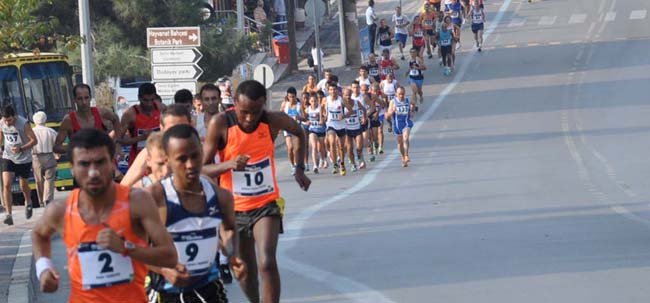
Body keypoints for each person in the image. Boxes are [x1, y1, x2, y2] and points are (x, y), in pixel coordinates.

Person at [30, 128, 177, 303]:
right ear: (73, 168)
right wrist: (43, 267)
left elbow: (170, 256)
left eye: (100, 162)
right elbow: (39, 234)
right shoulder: (60, 210)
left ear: (112, 163)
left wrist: (126, 248)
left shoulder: (137, 202)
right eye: (84, 164)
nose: (93, 172)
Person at [202, 80, 311, 303]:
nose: (250, 118)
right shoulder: (220, 123)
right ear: (234, 104)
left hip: (266, 203)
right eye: (244, 112)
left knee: (267, 263)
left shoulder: (272, 120)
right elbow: (202, 168)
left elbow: (300, 132)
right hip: (234, 209)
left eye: (255, 111)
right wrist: (228, 165)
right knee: (245, 270)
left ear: (264, 105)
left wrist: (299, 168)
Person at [145, 125, 245, 303]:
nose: (190, 165)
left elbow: (229, 229)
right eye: (182, 159)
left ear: (202, 152)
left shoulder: (221, 197)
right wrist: (163, 270)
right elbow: (130, 248)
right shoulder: (155, 197)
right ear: (168, 160)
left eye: (195, 156)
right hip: (166, 293)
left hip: (209, 289)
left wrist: (232, 254)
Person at [120, 104, 193, 187]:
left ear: (191, 125)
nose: (177, 134)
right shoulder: (149, 152)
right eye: (171, 130)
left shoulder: (198, 150)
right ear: (162, 128)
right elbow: (123, 187)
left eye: (182, 128)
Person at [53, 83, 120, 155]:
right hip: (82, 164)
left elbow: (116, 119)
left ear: (90, 98)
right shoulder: (69, 120)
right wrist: (76, 148)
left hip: (103, 162)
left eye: (86, 98)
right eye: (80, 99)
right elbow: (57, 147)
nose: (84, 102)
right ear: (75, 100)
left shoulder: (101, 113)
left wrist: (118, 145)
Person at [1, 105, 37, 225]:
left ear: (15, 116)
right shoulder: (2, 122)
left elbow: (34, 140)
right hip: (8, 156)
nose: (7, 122)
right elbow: (1, 135)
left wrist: (21, 148)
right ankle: (8, 214)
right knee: (6, 184)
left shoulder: (23, 124)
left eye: (9, 120)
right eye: (5, 120)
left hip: (24, 158)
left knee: (23, 186)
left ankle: (28, 201)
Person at [115, 83, 165, 167]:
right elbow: (119, 139)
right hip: (138, 161)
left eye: (152, 100)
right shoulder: (130, 114)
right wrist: (141, 138)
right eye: (145, 100)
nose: (149, 104)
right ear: (139, 98)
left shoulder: (161, 108)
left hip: (159, 159)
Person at [31, 111, 57, 207]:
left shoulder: (31, 131)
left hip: (35, 157)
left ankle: (41, 200)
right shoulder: (51, 131)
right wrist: (57, 154)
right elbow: (56, 145)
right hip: (49, 156)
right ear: (45, 119)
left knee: (38, 180)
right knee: (49, 179)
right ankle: (48, 199)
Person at [323, 81, 347, 176]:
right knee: (332, 142)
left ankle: (342, 163)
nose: (333, 91)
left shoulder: (341, 100)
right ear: (328, 91)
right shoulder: (326, 100)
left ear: (337, 91)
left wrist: (344, 116)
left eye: (334, 90)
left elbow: (351, 110)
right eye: (331, 90)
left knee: (341, 147)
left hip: (341, 124)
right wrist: (323, 117)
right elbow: (322, 108)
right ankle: (334, 165)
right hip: (331, 124)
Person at [386, 86, 415, 167]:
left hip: (406, 123)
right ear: (396, 94)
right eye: (399, 94)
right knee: (400, 143)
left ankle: (406, 155)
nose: (401, 96)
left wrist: (412, 110)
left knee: (405, 138)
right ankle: (403, 158)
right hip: (397, 125)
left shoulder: (407, 100)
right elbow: (388, 116)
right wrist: (393, 111)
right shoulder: (393, 102)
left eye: (403, 94)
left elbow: (411, 114)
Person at [279, 87, 305, 175]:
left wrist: (299, 117)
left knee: (296, 149)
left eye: (293, 97)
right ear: (287, 96)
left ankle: (297, 165)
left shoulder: (299, 105)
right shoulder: (284, 104)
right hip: (287, 129)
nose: (291, 99)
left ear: (295, 96)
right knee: (290, 148)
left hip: (296, 129)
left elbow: (305, 118)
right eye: (290, 97)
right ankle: (292, 165)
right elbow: (280, 115)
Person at [343, 88, 367, 172]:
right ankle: (353, 164)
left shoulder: (356, 102)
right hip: (347, 129)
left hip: (357, 128)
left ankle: (360, 157)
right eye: (346, 95)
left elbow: (363, 109)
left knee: (359, 147)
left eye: (349, 95)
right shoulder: (342, 104)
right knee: (349, 148)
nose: (348, 97)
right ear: (343, 95)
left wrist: (364, 117)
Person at [305, 93, 326, 174]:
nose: (314, 103)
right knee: (314, 147)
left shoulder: (320, 108)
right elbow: (305, 119)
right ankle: (315, 166)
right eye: (312, 101)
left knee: (321, 147)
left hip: (321, 130)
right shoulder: (307, 109)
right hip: (312, 130)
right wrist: (306, 121)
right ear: (310, 101)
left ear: (317, 101)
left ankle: (322, 159)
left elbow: (325, 117)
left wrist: (322, 120)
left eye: (315, 101)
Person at [360, 84, 378, 162]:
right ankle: (360, 157)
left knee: (369, 136)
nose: (364, 92)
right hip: (357, 120)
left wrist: (367, 115)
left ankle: (371, 152)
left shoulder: (371, 96)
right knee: (359, 139)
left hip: (369, 118)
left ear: (368, 90)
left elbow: (378, 105)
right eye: (362, 90)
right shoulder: (356, 97)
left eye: (366, 90)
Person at [369, 82, 386, 155]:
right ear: (371, 90)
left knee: (380, 130)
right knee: (373, 134)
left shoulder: (382, 95)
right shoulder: (369, 95)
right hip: (372, 114)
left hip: (380, 114)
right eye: (373, 91)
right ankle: (375, 143)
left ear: (379, 90)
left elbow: (383, 105)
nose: (375, 93)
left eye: (376, 91)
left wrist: (378, 112)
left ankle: (380, 147)